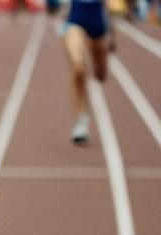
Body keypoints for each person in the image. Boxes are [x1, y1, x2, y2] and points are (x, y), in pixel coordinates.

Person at [63, 0, 109, 145]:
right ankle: (81, 119)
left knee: (101, 75)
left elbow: (107, 7)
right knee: (78, 67)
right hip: (75, 23)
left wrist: (112, 35)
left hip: (98, 26)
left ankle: (82, 118)